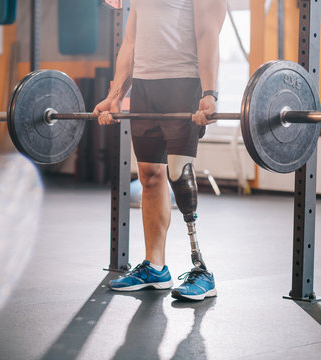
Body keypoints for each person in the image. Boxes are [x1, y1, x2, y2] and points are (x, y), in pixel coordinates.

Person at [93, 0, 226, 301]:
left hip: (184, 84)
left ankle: (201, 269)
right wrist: (115, 96)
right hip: (144, 89)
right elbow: (130, 43)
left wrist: (208, 93)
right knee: (150, 175)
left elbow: (208, 33)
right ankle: (155, 267)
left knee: (178, 173)